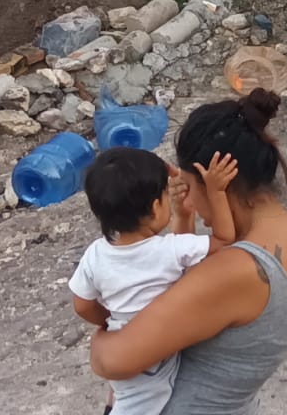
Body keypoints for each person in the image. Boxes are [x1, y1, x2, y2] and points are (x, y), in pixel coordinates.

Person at [89, 91, 287, 414]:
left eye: (191, 185)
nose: (187, 197)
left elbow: (113, 361)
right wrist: (184, 218)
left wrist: (99, 338)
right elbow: (185, 290)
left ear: (218, 184)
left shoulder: (236, 271)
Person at [69, 147, 238, 415]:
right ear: (156, 206)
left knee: (124, 397)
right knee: (140, 406)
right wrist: (216, 192)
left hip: (121, 341)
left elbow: (81, 305)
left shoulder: (95, 255)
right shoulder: (169, 250)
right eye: (164, 195)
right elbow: (225, 239)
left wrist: (110, 322)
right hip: (151, 360)